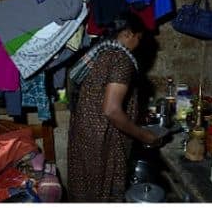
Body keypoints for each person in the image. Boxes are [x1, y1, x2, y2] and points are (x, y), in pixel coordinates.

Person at [67, 12, 159, 201]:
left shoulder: (100, 52)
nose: (138, 44)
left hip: (85, 133)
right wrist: (144, 136)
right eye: (138, 38)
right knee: (104, 192)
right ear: (127, 34)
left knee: (87, 189)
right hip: (103, 139)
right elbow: (112, 110)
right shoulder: (121, 59)